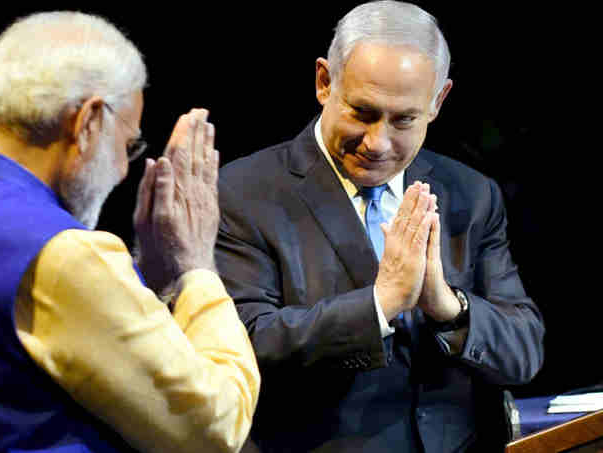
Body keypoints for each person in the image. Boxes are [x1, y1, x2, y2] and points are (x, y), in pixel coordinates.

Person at [0, 12, 259, 453]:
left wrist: (143, 281)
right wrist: (196, 268)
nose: (124, 168)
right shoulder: (62, 252)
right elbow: (215, 429)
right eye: (128, 145)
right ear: (89, 121)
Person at [214, 1, 544, 452]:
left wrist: (449, 308)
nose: (378, 143)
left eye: (404, 119)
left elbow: (524, 350)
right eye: (363, 112)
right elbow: (243, 345)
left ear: (438, 101)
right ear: (324, 82)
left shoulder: (471, 193)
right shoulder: (241, 193)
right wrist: (379, 303)